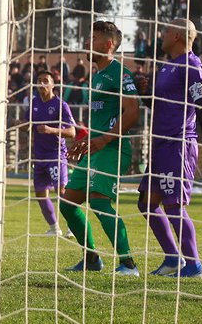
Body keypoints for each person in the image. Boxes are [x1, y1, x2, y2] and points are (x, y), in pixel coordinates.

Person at [135, 19, 202, 278]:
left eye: (165, 31)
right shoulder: (167, 67)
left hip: (178, 144)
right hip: (161, 143)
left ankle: (194, 265)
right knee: (146, 203)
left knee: (174, 205)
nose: (161, 35)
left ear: (176, 36)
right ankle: (173, 259)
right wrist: (145, 93)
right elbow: (162, 106)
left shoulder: (192, 65)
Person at [61, 21, 140, 276]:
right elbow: (101, 117)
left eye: (93, 38)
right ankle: (92, 258)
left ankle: (129, 264)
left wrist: (104, 140)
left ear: (108, 44)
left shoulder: (120, 73)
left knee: (99, 203)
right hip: (93, 148)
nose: (87, 42)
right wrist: (85, 140)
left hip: (112, 149)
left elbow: (133, 111)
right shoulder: (96, 75)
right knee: (67, 203)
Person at [28, 70, 76, 236]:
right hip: (39, 156)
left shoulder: (61, 105)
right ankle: (54, 228)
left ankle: (72, 226)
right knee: (40, 193)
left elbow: (72, 132)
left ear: (53, 85)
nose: (41, 84)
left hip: (56, 155)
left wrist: (51, 130)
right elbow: (29, 126)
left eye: (45, 80)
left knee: (61, 192)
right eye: (39, 80)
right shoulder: (33, 103)